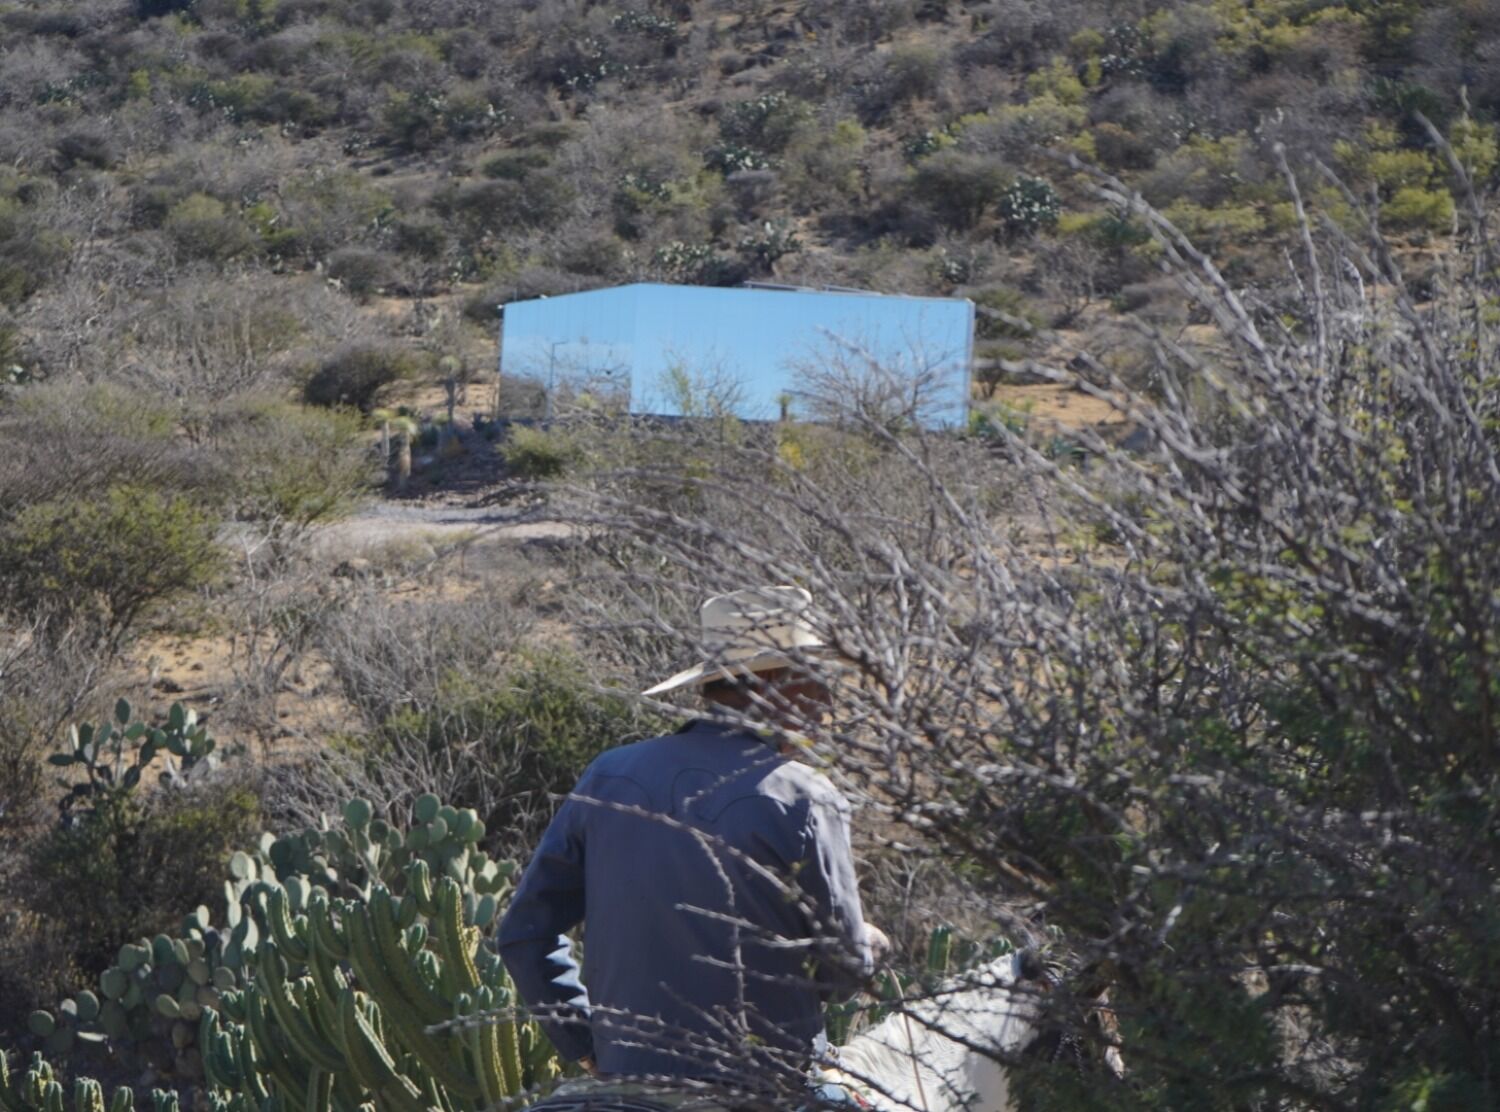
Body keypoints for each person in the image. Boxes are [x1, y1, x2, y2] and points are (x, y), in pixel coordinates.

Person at [497, 586, 885, 1094]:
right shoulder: (806, 796)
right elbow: (840, 975)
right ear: (775, 682)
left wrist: (585, 1043)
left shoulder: (608, 776)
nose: (827, 701)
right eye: (815, 679)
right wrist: (870, 946)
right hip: (770, 1084)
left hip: (627, 1077)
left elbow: (525, 934)